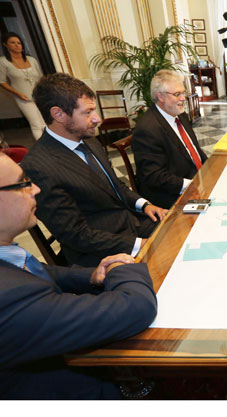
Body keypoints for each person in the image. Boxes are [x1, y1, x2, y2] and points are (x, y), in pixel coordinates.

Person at [0, 152, 157, 399]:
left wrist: (92, 276)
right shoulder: (9, 298)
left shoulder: (7, 258)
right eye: (22, 183)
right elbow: (136, 307)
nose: (36, 189)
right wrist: (122, 267)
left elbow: (37, 272)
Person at [20, 73, 168, 267]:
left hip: (131, 224)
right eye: (87, 112)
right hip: (98, 252)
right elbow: (76, 235)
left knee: (183, 228)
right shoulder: (39, 166)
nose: (97, 119)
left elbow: (116, 186)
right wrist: (139, 244)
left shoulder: (90, 140)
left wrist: (145, 205)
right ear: (58, 114)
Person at [132, 70, 207, 209]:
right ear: (160, 96)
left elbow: (195, 150)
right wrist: (193, 184)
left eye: (183, 93)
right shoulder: (147, 129)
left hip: (197, 180)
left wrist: (209, 169)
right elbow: (154, 176)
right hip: (172, 195)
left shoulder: (180, 115)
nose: (183, 98)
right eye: (177, 94)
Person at [0, 32, 45, 139]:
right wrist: (18, 94)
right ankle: (44, 150)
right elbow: (2, 82)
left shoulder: (32, 60)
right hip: (24, 98)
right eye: (12, 43)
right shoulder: (3, 62)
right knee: (36, 124)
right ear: (5, 45)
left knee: (45, 123)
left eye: (19, 43)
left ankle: (52, 146)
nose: (17, 45)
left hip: (39, 97)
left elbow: (41, 78)